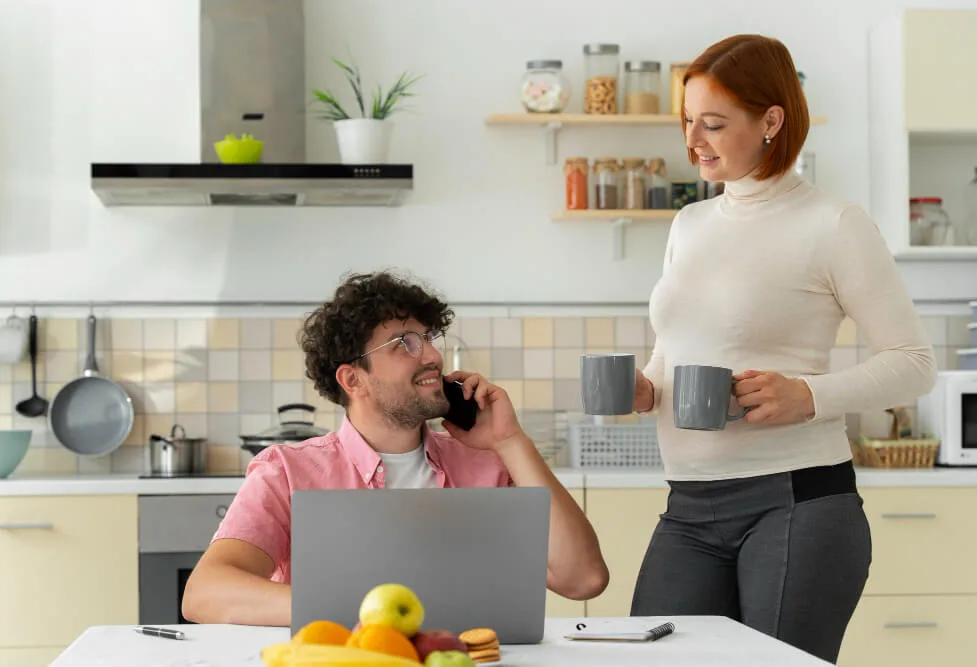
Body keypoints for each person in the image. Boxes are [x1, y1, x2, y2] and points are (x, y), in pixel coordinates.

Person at [627, 34, 937, 663]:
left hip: (796, 502)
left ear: (772, 120)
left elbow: (914, 362)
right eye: (687, 121)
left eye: (713, 124)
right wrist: (649, 387)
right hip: (687, 503)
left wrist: (809, 395)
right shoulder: (689, 225)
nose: (693, 141)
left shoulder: (833, 223)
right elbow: (674, 351)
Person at [182, 271, 609, 626]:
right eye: (405, 343)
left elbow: (583, 579)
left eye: (427, 338)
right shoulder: (288, 473)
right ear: (353, 380)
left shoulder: (487, 465)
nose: (432, 356)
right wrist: (369, 613)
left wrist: (509, 441)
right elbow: (204, 594)